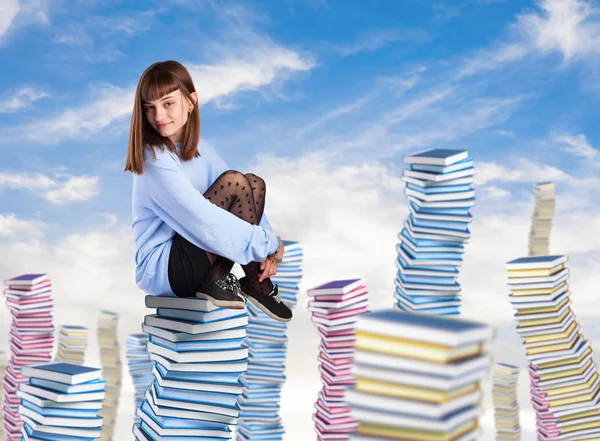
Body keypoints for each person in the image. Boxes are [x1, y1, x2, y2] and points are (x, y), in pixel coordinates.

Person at [124, 60, 292, 322]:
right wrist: (267, 244)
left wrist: (268, 245)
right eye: (150, 108)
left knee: (252, 182)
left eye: (168, 103)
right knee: (234, 183)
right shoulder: (153, 158)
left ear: (191, 102)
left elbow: (246, 198)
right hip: (165, 269)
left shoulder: (202, 149)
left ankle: (241, 279)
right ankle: (248, 281)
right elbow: (200, 217)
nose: (158, 116)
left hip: (195, 254)